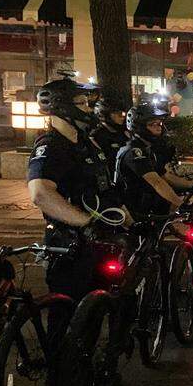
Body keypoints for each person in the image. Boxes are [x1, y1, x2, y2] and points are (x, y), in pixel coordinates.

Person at [27, 75, 123, 330]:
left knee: (93, 314)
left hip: (96, 243)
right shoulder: (51, 146)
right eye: (82, 103)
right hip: (68, 247)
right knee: (66, 316)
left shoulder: (85, 143)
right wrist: (84, 222)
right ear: (63, 106)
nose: (88, 109)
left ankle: (87, 365)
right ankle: (61, 368)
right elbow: (40, 194)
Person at [115, 99, 193, 220]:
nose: (159, 128)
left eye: (160, 124)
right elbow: (156, 181)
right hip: (135, 211)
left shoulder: (149, 149)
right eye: (153, 124)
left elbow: (164, 175)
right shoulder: (134, 152)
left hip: (149, 207)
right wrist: (181, 204)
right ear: (140, 127)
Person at [90, 92, 129, 171]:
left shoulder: (124, 132)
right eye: (118, 113)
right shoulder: (97, 135)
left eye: (124, 113)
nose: (123, 116)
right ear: (105, 114)